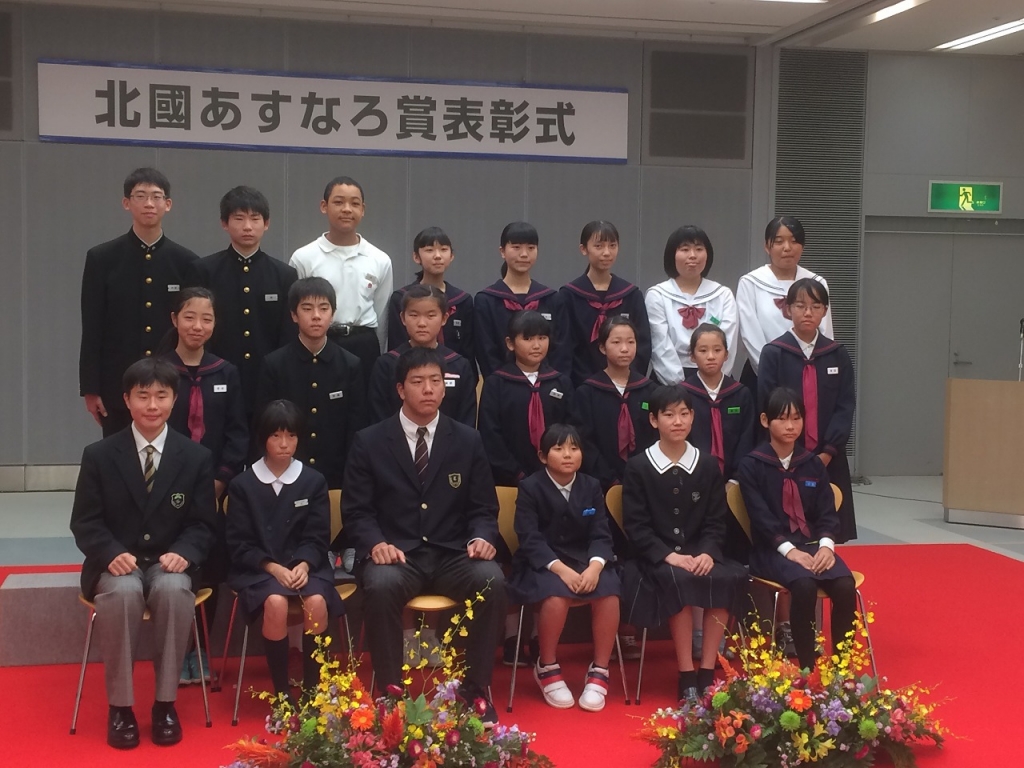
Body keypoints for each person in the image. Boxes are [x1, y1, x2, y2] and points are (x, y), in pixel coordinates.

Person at [342, 347, 506, 725]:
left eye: (436, 381)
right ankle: (390, 693)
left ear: (445, 388)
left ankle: (475, 690)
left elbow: (484, 508)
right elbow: (357, 511)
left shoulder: (467, 440)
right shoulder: (369, 441)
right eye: (418, 382)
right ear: (401, 389)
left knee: (493, 581)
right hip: (397, 555)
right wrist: (375, 544)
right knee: (380, 585)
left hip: (452, 553)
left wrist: (482, 536)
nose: (428, 389)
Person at [70, 357, 217, 750]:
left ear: (174, 399)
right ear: (127, 400)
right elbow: (84, 522)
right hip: (116, 564)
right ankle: (120, 708)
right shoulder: (99, 455)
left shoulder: (195, 457)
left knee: (173, 590)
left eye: (161, 396)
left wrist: (184, 551)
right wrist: (109, 552)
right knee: (122, 593)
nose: (152, 405)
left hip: (169, 563)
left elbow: (204, 524)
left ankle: (165, 704)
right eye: (143, 396)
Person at [620, 385, 746, 702]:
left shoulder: (707, 464)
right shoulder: (638, 466)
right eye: (669, 415)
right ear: (654, 420)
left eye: (684, 414)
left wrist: (708, 552)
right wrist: (668, 556)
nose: (678, 421)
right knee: (679, 580)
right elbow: (636, 526)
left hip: (699, 553)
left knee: (725, 577)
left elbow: (716, 520)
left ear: (692, 417)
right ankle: (686, 674)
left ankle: (707, 671)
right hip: (656, 559)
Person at [225, 399, 343, 701]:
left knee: (316, 601)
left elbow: (318, 536)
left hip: (307, 567)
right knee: (275, 603)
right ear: (262, 438)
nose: (284, 444)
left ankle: (312, 692)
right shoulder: (242, 485)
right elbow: (239, 543)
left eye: (291, 436)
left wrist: (304, 564)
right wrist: (273, 568)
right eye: (276, 436)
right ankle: (282, 695)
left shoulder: (313, 481)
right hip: (259, 570)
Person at [160, 286, 248, 684]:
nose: (198, 326)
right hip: (166, 492)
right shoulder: (158, 371)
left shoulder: (225, 372)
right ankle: (177, 652)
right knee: (174, 567)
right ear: (174, 319)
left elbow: (237, 432)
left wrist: (220, 480)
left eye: (207, 319)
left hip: (213, 490)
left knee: (209, 570)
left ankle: (201, 651)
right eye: (190, 317)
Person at [736, 387, 856, 671]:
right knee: (804, 585)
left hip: (812, 546)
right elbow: (761, 518)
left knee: (844, 585)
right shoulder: (752, 465)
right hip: (772, 549)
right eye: (782, 419)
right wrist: (789, 551)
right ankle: (808, 668)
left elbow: (827, 512)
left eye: (796, 418)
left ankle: (840, 668)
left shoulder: (812, 463)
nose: (790, 426)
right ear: (765, 421)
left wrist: (826, 546)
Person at [507, 424, 620, 712]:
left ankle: (600, 670)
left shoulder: (591, 486)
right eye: (558, 449)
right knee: (557, 597)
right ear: (543, 456)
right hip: (542, 562)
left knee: (609, 594)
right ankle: (546, 666)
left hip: (585, 560)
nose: (568, 454)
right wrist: (561, 570)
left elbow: (601, 534)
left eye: (574, 448)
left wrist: (594, 567)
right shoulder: (530, 487)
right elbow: (529, 538)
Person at [80, 168, 199, 436]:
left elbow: (193, 328)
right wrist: (90, 388)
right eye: (140, 196)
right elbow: (92, 326)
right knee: (118, 453)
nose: (149, 203)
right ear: (126, 203)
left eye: (156, 197)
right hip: (117, 382)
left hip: (172, 380)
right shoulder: (102, 258)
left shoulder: (186, 261)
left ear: (168, 204)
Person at [184, 186, 297, 423]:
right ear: (224, 223)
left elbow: (287, 334)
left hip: (265, 380)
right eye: (239, 218)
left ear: (266, 223)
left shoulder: (284, 274)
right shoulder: (204, 270)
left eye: (255, 219)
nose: (247, 226)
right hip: (215, 375)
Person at [756, 279, 856, 543]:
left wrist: (828, 452)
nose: (808, 312)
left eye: (815, 306)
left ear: (825, 311)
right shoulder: (774, 353)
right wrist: (790, 451)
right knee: (789, 526)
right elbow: (767, 404)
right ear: (788, 309)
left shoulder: (837, 354)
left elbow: (845, 406)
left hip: (828, 456)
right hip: (785, 456)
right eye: (800, 306)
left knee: (830, 527)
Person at [254, 277, 366, 491]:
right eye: (307, 309)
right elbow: (263, 425)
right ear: (294, 315)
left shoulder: (350, 364)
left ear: (333, 314)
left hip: (336, 476)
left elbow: (356, 427)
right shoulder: (274, 364)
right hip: (285, 473)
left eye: (323, 308)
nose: (316, 316)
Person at [288, 176, 393, 387]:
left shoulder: (380, 259)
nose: (347, 209)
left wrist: (381, 354)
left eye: (354, 203)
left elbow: (382, 315)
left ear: (363, 209)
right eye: (338, 202)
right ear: (324, 206)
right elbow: (294, 310)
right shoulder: (304, 257)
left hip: (364, 344)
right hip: (319, 342)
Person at [736, 216, 834, 394]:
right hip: (763, 375)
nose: (787, 248)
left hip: (809, 371)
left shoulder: (817, 283)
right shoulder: (750, 283)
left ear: (802, 246)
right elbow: (750, 336)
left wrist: (815, 367)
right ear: (767, 246)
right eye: (779, 241)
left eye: (794, 241)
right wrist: (770, 370)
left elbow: (825, 332)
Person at [479, 311, 574, 486]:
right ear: (510, 343)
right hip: (508, 479)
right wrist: (516, 474)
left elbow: (571, 429)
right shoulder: (496, 384)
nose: (537, 345)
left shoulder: (561, 382)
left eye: (542, 338)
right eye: (528, 339)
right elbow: (490, 435)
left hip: (556, 476)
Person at [369, 284, 477, 426]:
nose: (421, 323)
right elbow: (378, 419)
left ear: (444, 318)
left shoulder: (459, 365)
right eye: (414, 315)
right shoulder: (387, 364)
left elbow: (466, 421)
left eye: (431, 315)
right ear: (403, 318)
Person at [559, 221, 651, 386]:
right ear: (584, 249)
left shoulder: (631, 295)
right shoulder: (569, 296)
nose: (607, 252)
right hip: (581, 385)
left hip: (625, 385)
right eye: (599, 246)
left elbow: (643, 344)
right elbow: (565, 347)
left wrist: (626, 380)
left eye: (612, 246)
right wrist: (585, 385)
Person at [571, 316, 658, 491]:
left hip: (646, 479)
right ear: (602, 347)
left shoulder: (650, 390)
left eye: (631, 342)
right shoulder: (587, 392)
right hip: (600, 483)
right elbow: (585, 441)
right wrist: (608, 479)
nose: (625, 349)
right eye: (616, 342)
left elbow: (656, 437)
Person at [645, 225, 738, 385]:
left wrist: (713, 380)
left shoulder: (723, 295)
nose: (693, 255)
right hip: (669, 379)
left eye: (699, 249)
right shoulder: (657, 295)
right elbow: (660, 345)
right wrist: (680, 385)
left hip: (714, 377)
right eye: (685, 249)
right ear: (672, 255)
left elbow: (728, 340)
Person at [474, 222, 569, 378]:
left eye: (531, 248)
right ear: (502, 251)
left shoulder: (551, 298)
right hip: (503, 385)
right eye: (516, 247)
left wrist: (551, 381)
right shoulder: (486, 300)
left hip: (547, 383)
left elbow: (561, 350)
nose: (524, 254)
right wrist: (502, 382)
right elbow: (486, 351)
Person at [386, 227, 475, 369]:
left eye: (444, 249)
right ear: (416, 257)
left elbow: (468, 351)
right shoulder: (401, 298)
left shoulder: (462, 300)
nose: (437, 256)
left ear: (451, 256)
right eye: (429, 250)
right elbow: (397, 345)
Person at [682, 323, 755, 487]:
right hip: (691, 480)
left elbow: (747, 439)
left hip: (734, 482)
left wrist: (735, 479)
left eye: (717, 350)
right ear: (692, 356)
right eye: (703, 351)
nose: (710, 356)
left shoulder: (740, 394)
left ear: (726, 354)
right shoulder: (683, 395)